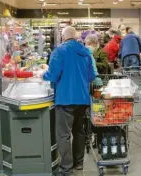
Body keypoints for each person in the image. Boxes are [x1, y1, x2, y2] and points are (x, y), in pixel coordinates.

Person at [39, 26, 96, 176]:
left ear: (63, 37)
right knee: (79, 132)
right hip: (82, 99)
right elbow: (91, 77)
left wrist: (42, 74)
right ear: (76, 37)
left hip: (65, 99)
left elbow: (52, 75)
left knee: (63, 135)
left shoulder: (60, 51)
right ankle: (79, 163)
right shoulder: (86, 53)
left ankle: (66, 169)